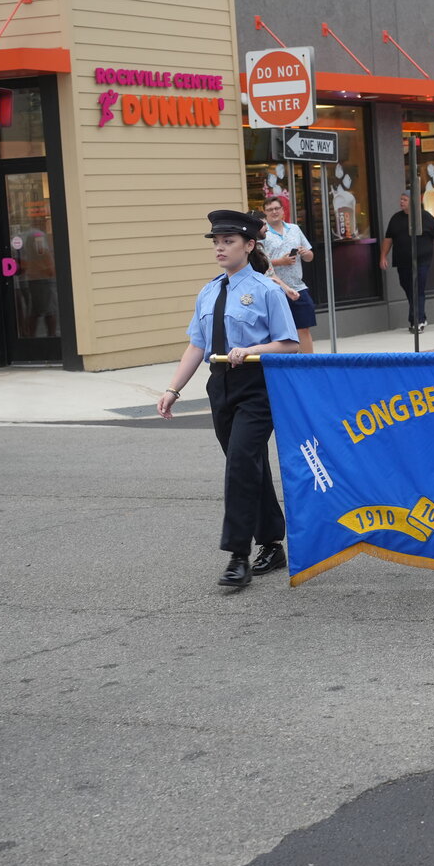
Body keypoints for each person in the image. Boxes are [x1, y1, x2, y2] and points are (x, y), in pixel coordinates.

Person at [157, 210, 299, 588]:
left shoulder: (267, 290)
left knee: (239, 464)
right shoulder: (209, 291)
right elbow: (197, 345)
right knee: (249, 465)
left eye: (229, 242)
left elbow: (289, 344)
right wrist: (173, 389)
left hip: (257, 386)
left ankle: (238, 556)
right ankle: (272, 543)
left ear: (249, 245)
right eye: (216, 242)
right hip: (219, 385)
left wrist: (252, 350)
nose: (220, 248)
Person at [380, 191, 434, 334]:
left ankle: (417, 320)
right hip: (402, 261)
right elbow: (388, 239)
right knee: (408, 287)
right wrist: (383, 256)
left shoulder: (426, 217)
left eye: (405, 199)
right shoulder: (396, 218)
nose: (401, 202)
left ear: (413, 202)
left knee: (418, 288)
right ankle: (418, 316)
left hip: (422, 260)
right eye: (401, 199)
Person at [258, 196, 316, 352]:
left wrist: (305, 253)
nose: (274, 212)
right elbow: (259, 261)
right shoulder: (262, 233)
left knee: (303, 328)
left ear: (283, 210)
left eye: (277, 208)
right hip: (274, 289)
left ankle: (309, 363)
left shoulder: (294, 229)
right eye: (270, 210)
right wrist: (280, 261)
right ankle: (288, 363)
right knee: (281, 334)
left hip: (298, 287)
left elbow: (310, 257)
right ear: (265, 213)